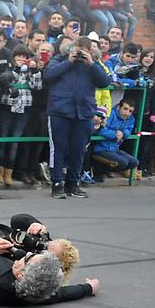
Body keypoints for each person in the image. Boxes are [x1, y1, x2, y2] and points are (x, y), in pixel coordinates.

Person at [43, 36, 111, 199]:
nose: (80, 54)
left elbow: (104, 82)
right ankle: (57, 183)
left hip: (84, 112)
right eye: (78, 50)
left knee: (79, 149)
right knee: (58, 149)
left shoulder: (93, 65)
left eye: (85, 51)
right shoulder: (59, 59)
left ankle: (73, 184)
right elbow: (48, 76)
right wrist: (69, 61)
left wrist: (92, 64)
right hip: (60, 110)